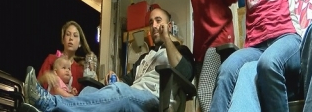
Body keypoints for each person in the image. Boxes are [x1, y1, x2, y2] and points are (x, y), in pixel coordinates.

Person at [23, 8, 195, 112]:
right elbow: (125, 82)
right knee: (90, 90)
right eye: (151, 22)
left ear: (169, 25)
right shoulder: (145, 57)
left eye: (159, 21)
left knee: (119, 91)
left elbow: (186, 73)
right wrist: (114, 77)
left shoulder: (181, 50)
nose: (154, 26)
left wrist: (167, 39)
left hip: (154, 102)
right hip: (132, 96)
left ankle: (47, 103)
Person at [37, 21, 94, 93]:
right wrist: (44, 77)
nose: (71, 38)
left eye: (75, 35)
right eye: (68, 34)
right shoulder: (51, 59)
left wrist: (93, 73)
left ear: (80, 43)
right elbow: (35, 86)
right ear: (63, 40)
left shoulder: (81, 69)